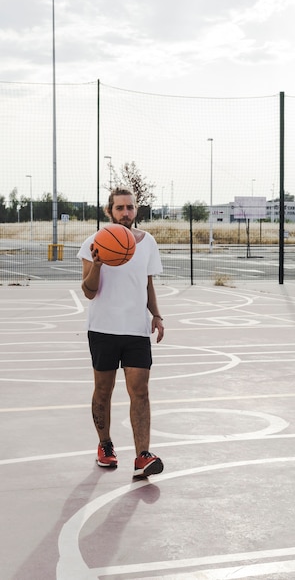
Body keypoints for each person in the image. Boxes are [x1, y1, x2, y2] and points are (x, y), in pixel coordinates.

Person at [77, 186, 164, 479]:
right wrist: (98, 264)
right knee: (104, 390)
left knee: (140, 391)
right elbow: (88, 292)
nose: (125, 213)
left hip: (137, 330)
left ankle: (143, 455)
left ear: (135, 210)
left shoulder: (148, 242)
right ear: (109, 211)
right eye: (119, 208)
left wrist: (157, 315)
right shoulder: (93, 243)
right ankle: (105, 445)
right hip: (103, 329)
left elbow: (147, 283)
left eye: (130, 207)